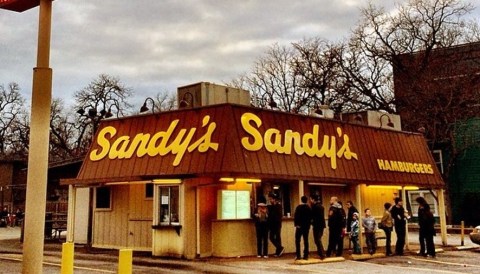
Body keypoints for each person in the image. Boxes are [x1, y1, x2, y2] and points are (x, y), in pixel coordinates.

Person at [294, 195, 312, 260]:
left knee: (297, 240)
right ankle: (306, 255)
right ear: (306, 200)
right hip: (306, 226)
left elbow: (296, 216)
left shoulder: (298, 207)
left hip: (299, 226)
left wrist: (296, 224)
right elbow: (310, 217)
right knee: (306, 240)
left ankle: (298, 255)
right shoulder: (309, 208)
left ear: (301, 200)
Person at [267, 192, 285, 257]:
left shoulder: (278, 206)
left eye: (271, 199)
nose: (270, 200)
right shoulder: (271, 206)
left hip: (276, 224)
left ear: (274, 199)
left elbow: (277, 216)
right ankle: (279, 249)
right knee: (274, 237)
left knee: (275, 237)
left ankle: (279, 250)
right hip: (273, 224)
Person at [310, 194, 326, 259]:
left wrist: (311, 221)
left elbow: (313, 216)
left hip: (316, 225)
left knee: (317, 240)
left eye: (311, 199)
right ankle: (321, 253)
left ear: (313, 200)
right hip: (321, 225)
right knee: (318, 239)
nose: (310, 200)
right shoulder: (321, 206)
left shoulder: (314, 207)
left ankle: (322, 254)